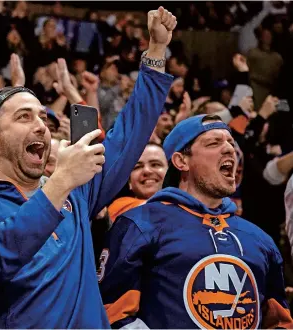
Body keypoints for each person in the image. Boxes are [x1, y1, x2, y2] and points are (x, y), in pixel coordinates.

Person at [0, 7, 175, 328]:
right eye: (23, 117)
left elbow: (128, 136)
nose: (41, 126)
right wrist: (58, 185)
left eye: (42, 118)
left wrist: (156, 52)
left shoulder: (76, 192)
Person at [98, 114, 293, 329]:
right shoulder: (139, 224)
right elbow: (114, 314)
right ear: (181, 161)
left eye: (231, 142)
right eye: (213, 143)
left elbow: (280, 322)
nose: (229, 149)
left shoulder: (260, 239)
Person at [108, 142, 168, 220]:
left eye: (155, 164)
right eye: (137, 167)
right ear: (129, 182)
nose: (147, 171)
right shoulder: (119, 207)